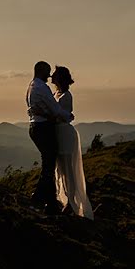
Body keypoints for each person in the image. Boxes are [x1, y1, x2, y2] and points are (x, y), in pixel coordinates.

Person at [25, 60, 71, 214]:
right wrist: (69, 116)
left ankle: (51, 204)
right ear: (41, 71)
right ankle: (37, 200)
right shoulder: (41, 87)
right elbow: (55, 109)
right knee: (49, 167)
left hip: (36, 127)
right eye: (48, 71)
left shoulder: (32, 86)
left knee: (49, 165)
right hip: (43, 129)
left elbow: (35, 109)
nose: (50, 75)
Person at [51, 66, 93, 219]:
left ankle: (72, 202)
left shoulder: (66, 96)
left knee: (68, 168)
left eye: (54, 75)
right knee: (60, 168)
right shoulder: (56, 94)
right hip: (58, 133)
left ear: (60, 78)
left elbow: (62, 116)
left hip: (64, 134)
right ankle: (64, 199)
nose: (51, 77)